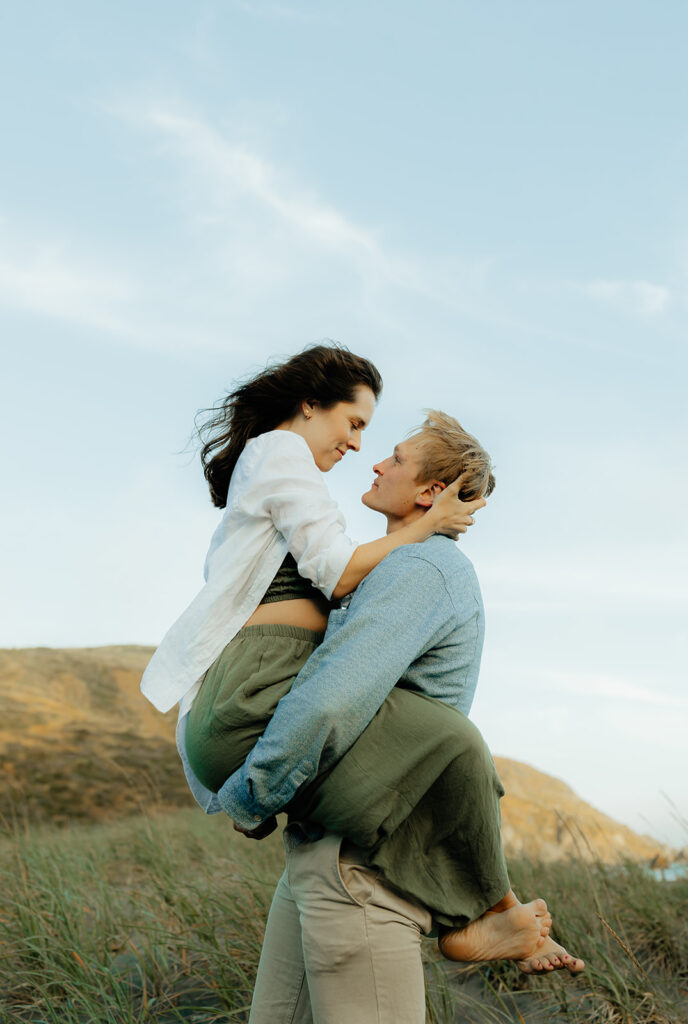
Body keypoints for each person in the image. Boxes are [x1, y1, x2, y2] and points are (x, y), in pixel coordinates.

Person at [216, 411, 584, 1024]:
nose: (377, 463)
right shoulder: (396, 567)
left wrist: (253, 795)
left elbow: (332, 695)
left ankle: (489, 915)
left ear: (429, 493)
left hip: (361, 869)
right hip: (328, 850)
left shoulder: (421, 569)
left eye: (396, 458)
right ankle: (491, 913)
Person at [140, 344, 480, 816]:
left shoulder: (278, 462)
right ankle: (492, 887)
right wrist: (427, 525)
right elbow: (339, 575)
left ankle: (492, 887)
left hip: (265, 670)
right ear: (310, 404)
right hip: (261, 674)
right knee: (448, 741)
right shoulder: (280, 452)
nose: (359, 445)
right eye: (355, 423)